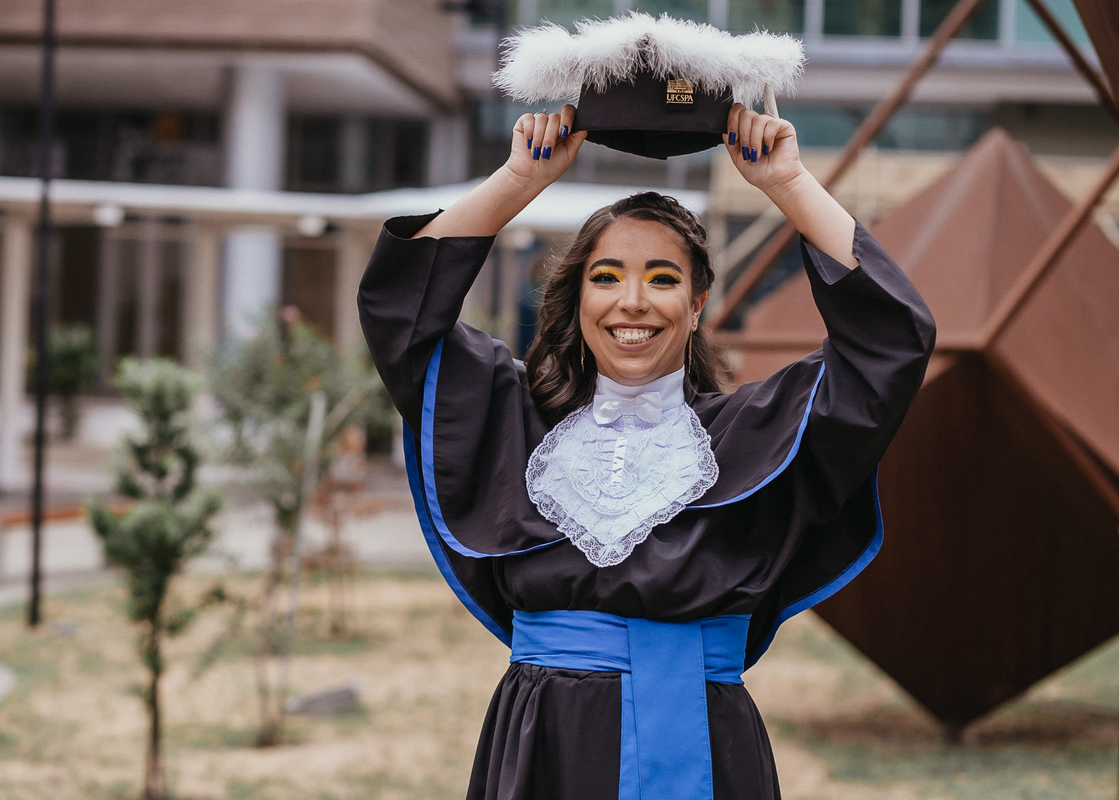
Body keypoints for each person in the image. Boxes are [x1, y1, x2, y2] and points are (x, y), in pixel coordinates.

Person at [358, 103, 935, 800]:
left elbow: (892, 344)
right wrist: (516, 180)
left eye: (663, 279)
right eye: (606, 278)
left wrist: (787, 183)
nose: (632, 302)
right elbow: (402, 313)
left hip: (703, 743)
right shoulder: (517, 428)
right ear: (576, 301)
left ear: (697, 305)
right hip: (543, 743)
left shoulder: (755, 437)